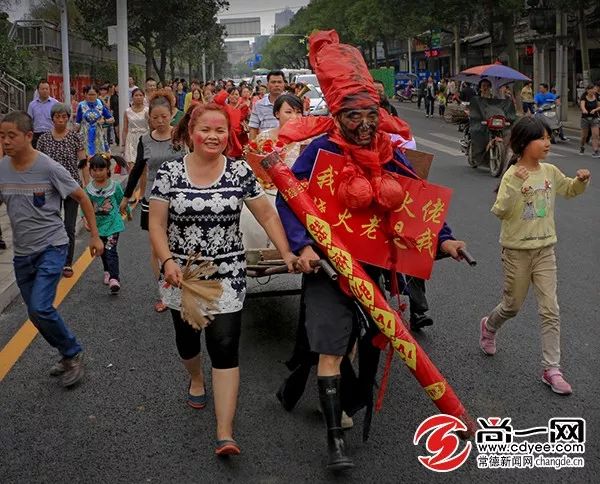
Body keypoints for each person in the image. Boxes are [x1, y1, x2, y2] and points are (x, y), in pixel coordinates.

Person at [275, 31, 466, 471]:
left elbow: (417, 202)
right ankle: (335, 442)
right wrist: (302, 246)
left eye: (369, 114)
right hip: (326, 269)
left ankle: (342, 403)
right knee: (329, 349)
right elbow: (292, 197)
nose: (363, 124)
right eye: (353, 115)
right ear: (336, 117)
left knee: (368, 348)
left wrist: (445, 240)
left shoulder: (388, 153)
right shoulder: (321, 151)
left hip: (372, 272)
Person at [148, 102, 297, 457]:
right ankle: (196, 378)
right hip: (180, 274)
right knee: (187, 342)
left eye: (221, 130)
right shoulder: (169, 172)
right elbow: (155, 224)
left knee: (225, 345)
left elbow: (267, 216)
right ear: (190, 132)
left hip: (228, 272)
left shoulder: (240, 171)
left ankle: (224, 431)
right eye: (206, 130)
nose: (213, 136)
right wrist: (166, 260)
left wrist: (287, 252)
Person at [479, 116, 590, 396]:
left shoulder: (550, 171)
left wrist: (580, 182)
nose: (547, 143)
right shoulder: (512, 174)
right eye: (542, 138)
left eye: (549, 138)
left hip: (545, 250)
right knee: (512, 306)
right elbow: (500, 211)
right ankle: (489, 325)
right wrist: (516, 183)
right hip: (516, 251)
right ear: (523, 143)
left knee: (550, 309)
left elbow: (568, 190)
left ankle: (551, 368)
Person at [0, 111, 104, 387]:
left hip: (52, 247)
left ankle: (72, 352)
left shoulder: (48, 168)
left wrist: (95, 236)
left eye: (12, 136)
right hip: (22, 253)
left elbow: (82, 197)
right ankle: (67, 354)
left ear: (28, 136)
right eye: (2, 136)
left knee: (40, 306)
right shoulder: (2, 168)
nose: (6, 141)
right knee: (35, 313)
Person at [120, 90, 185, 313]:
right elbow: (137, 169)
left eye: (163, 117)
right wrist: (126, 197)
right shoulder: (145, 140)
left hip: (181, 198)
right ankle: (165, 292)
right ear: (150, 119)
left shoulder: (180, 138)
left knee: (180, 243)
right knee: (157, 249)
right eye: (155, 118)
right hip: (153, 199)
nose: (159, 121)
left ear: (170, 116)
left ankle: (185, 283)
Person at [241, 93, 304, 249]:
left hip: (297, 191)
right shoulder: (264, 137)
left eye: (298, 112)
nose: (294, 116)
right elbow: (255, 167)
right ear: (277, 114)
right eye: (288, 112)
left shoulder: (308, 141)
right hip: (268, 189)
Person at [37, 103, 87, 278]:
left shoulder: (75, 137)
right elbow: (38, 163)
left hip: (71, 186)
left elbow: (83, 161)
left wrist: (86, 185)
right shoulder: (43, 139)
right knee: (50, 224)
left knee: (69, 226)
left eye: (64, 116)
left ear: (68, 118)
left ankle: (67, 262)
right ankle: (51, 259)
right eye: (57, 116)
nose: (61, 119)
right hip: (50, 188)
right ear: (52, 119)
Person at [83, 154, 127, 294]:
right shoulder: (88, 189)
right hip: (98, 226)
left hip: (113, 224)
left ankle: (115, 278)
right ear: (90, 171)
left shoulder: (114, 186)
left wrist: (128, 211)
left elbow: (121, 200)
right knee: (102, 250)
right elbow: (85, 206)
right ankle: (107, 270)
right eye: (94, 170)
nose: (97, 173)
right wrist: (85, 219)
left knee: (110, 250)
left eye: (101, 169)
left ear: (108, 169)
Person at [75, 85, 114, 158]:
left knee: (100, 157)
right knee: (85, 158)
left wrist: (104, 121)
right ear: (85, 94)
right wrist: (74, 134)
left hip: (98, 134)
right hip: (85, 135)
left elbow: (111, 119)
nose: (91, 96)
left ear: (97, 95)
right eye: (89, 94)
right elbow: (78, 122)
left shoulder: (100, 105)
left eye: (93, 94)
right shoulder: (81, 105)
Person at [248, 70, 286, 139]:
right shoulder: (258, 105)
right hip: (265, 146)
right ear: (267, 85)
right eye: (273, 82)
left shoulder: (290, 103)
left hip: (288, 146)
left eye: (279, 82)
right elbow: (253, 129)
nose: (276, 85)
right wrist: (251, 148)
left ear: (284, 84)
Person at [121, 88, 149, 169]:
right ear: (132, 97)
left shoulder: (147, 110)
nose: (138, 97)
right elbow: (125, 129)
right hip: (131, 139)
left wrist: (149, 118)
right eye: (136, 95)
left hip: (144, 138)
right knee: (132, 166)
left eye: (140, 95)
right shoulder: (127, 111)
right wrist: (123, 144)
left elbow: (152, 126)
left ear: (143, 97)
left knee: (144, 167)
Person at [27, 79, 58, 148]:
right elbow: (29, 121)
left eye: (47, 89)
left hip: (51, 135)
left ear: (49, 90)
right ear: (38, 90)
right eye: (42, 89)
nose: (45, 91)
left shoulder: (55, 103)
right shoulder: (32, 105)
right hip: (36, 135)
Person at [579, 84, 600, 157]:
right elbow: (582, 106)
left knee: (596, 135)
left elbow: (599, 106)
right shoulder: (584, 97)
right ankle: (582, 146)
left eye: (594, 89)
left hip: (594, 118)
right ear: (587, 90)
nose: (593, 91)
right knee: (584, 136)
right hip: (585, 119)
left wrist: (595, 109)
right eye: (591, 89)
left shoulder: (597, 96)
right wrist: (584, 110)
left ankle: (595, 151)